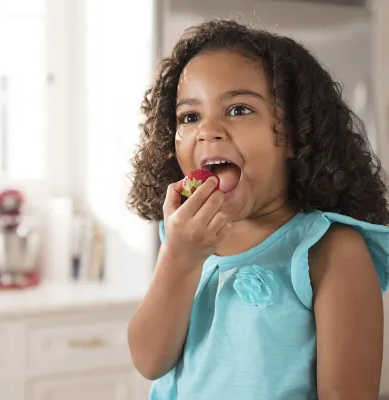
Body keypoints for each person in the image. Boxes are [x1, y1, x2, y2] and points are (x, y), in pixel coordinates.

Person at [127, 19, 389, 400]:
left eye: (238, 109)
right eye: (189, 116)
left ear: (296, 135)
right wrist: (180, 260)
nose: (208, 130)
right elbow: (150, 360)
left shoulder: (332, 251)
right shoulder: (185, 238)